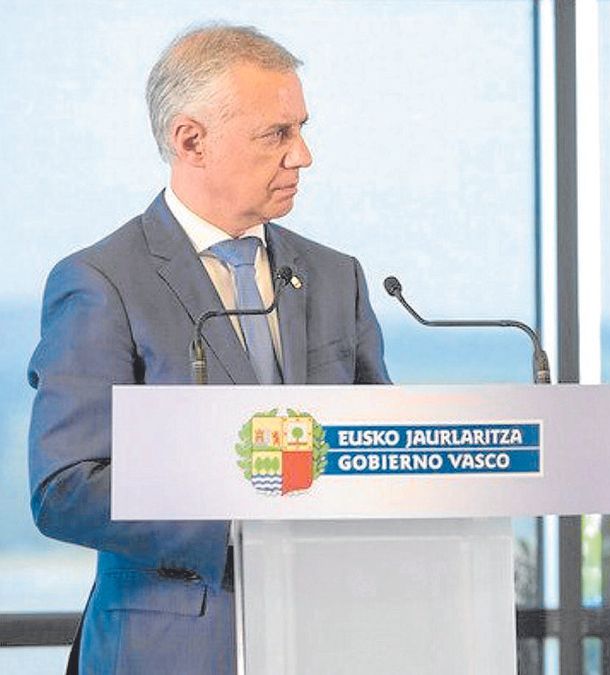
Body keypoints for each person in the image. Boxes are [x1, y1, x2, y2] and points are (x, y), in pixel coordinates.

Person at [27, 24, 390, 674]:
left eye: (301, 127)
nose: (302, 154)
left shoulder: (338, 276)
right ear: (190, 140)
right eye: (276, 133)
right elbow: (66, 485)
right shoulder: (102, 281)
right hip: (173, 647)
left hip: (333, 639)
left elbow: (378, 446)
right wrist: (245, 535)